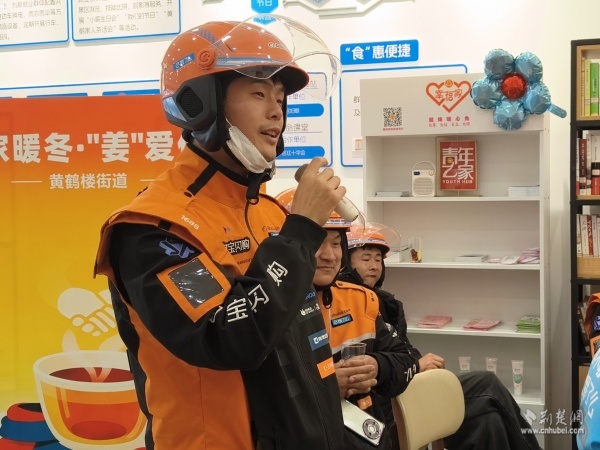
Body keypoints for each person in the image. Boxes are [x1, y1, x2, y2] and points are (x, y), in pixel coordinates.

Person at [94, 16, 347, 449]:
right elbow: (227, 338)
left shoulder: (269, 214)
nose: (276, 111)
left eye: (280, 98)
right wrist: (302, 231)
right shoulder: (155, 229)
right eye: (258, 93)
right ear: (200, 103)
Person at [338, 224, 544, 450]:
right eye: (366, 259)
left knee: (488, 421)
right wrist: (416, 365)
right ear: (346, 263)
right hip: (387, 402)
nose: (374, 266)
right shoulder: (343, 308)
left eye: (378, 260)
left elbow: (405, 351)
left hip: (412, 386)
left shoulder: (388, 304)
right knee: (486, 384)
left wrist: (418, 365)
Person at [275, 190, 419, 449]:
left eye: (335, 243)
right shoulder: (268, 309)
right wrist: (324, 387)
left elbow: (406, 361)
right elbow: (257, 398)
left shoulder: (362, 300)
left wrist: (377, 366)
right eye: (316, 242)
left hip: (366, 435)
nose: (329, 255)